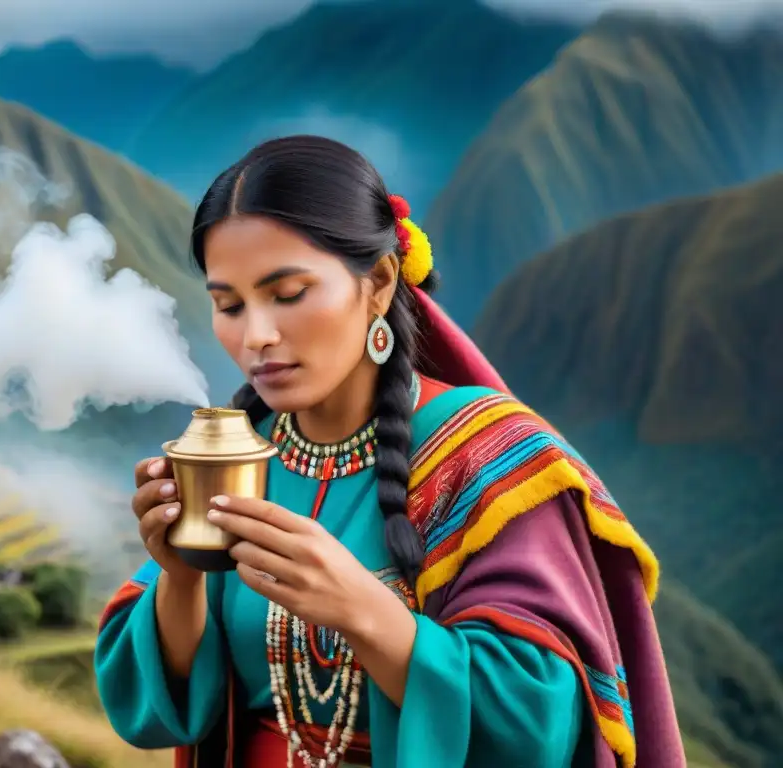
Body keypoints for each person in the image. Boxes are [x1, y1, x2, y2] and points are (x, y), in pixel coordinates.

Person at [95, 135, 686, 767]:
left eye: (289, 293)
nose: (256, 336)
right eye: (229, 305)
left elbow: (539, 722)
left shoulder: (490, 458)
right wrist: (181, 575)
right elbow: (150, 714)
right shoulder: (242, 454)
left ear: (377, 283)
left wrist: (368, 614)